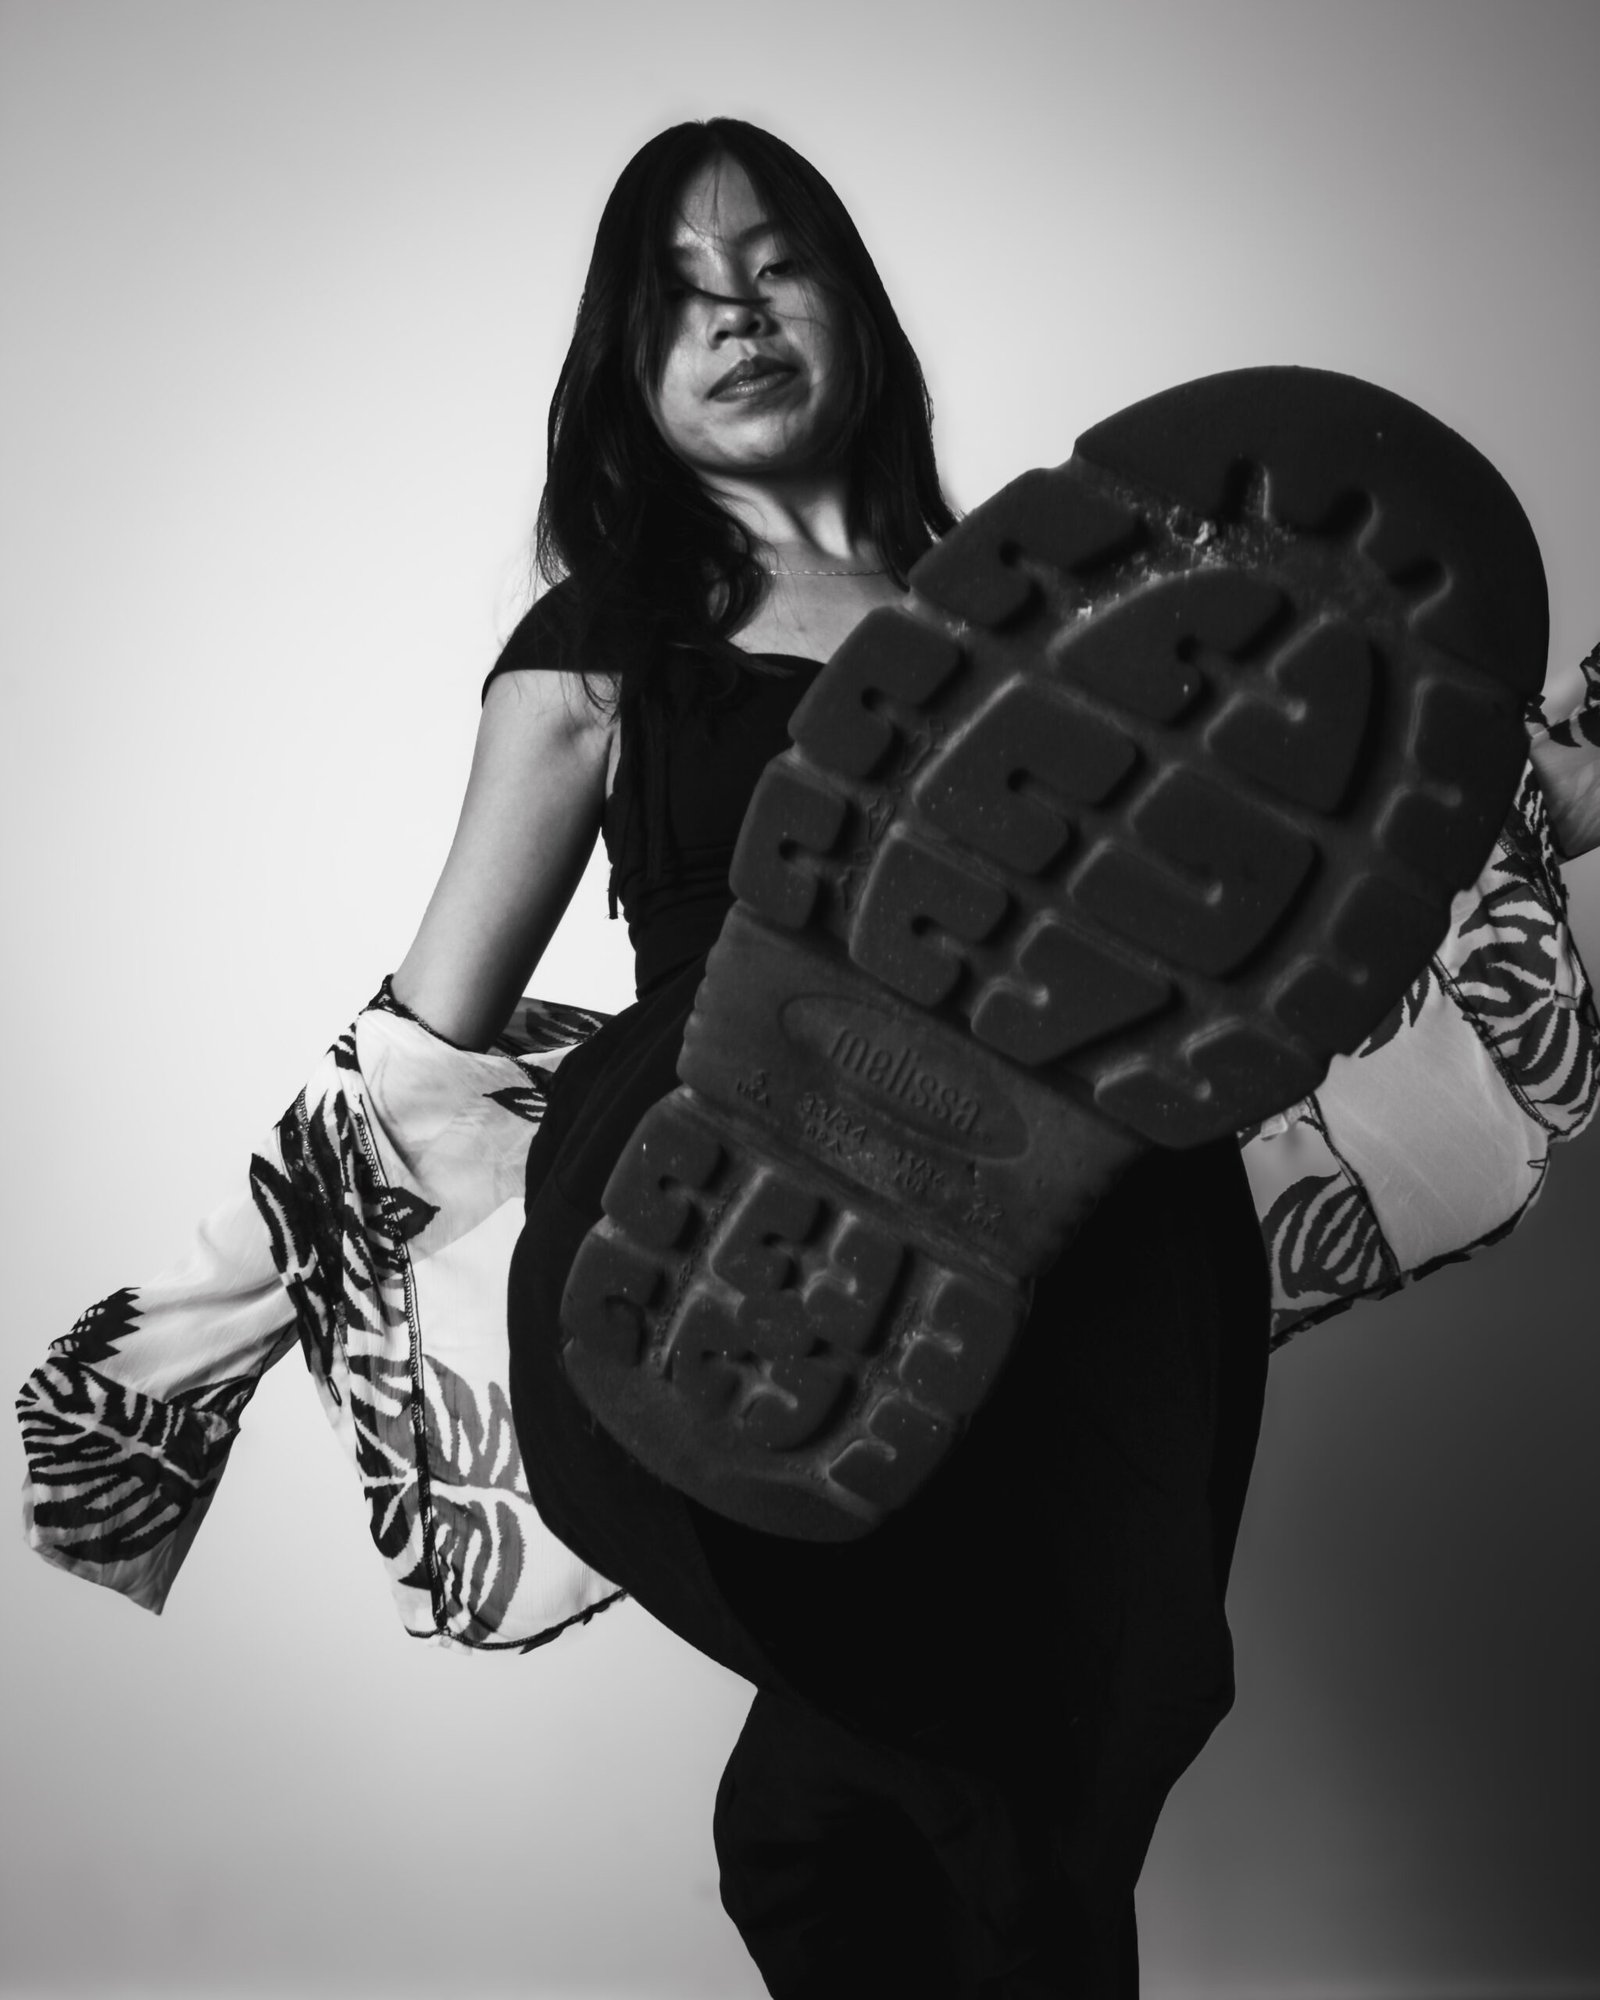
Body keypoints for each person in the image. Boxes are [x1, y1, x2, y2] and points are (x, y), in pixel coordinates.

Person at [375, 115, 1552, 1997]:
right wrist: (181, 1344)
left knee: (1024, 1749)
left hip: (1092, 1223)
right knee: (956, 1768)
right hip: (739, 1175)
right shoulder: (602, 647)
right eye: (677, 295)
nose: (736, 314)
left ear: (852, 300)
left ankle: (851, 1835)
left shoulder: (1061, 606)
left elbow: (1283, 871)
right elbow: (417, 1045)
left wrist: (1537, 789)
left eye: (775, 264)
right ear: (622, 367)